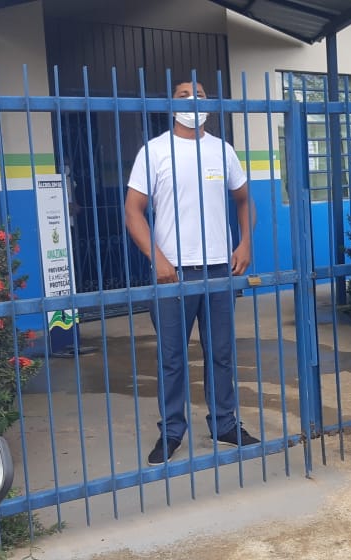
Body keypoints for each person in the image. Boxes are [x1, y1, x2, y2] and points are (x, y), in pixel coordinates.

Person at [124, 78, 259, 466]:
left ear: (209, 105)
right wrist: (158, 258)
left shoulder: (223, 151)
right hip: (172, 273)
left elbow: (244, 200)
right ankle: (171, 432)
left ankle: (224, 423)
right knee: (171, 356)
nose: (192, 101)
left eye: (199, 96)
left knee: (220, 352)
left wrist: (245, 242)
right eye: (184, 95)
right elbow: (133, 210)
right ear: (171, 105)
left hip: (219, 267)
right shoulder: (155, 152)